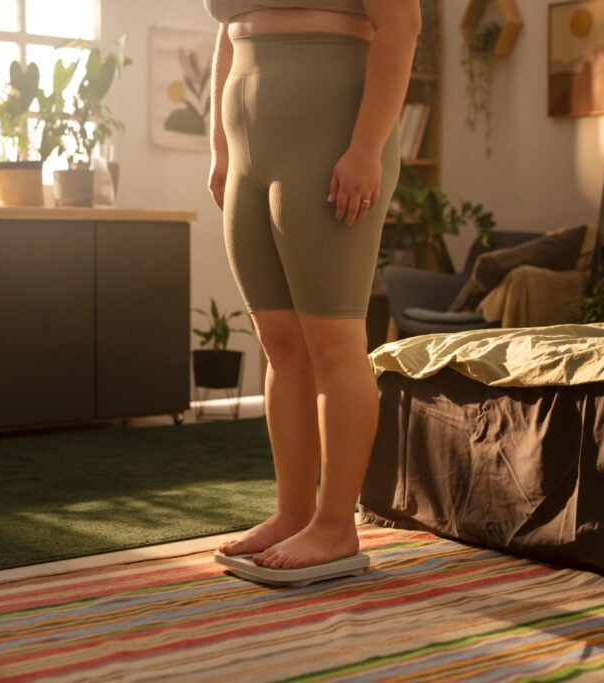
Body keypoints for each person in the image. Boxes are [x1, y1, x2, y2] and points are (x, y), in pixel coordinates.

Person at [204, 0, 420, 570]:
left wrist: (367, 148)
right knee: (280, 342)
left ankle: (335, 525)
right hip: (248, 151)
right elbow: (228, 33)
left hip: (333, 142)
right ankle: (292, 513)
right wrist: (220, 149)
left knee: (332, 341)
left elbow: (402, 25)